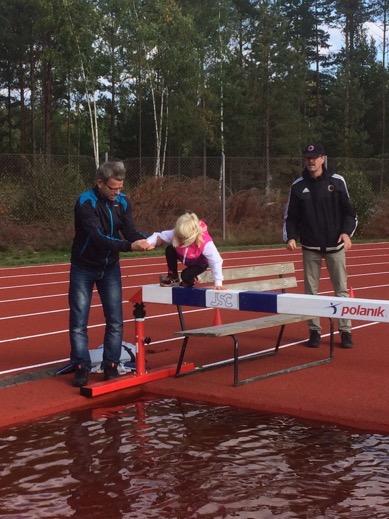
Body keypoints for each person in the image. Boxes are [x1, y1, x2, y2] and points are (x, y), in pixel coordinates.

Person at [69, 160, 152, 387]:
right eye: (113, 188)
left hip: (110, 268)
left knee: (115, 319)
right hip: (83, 266)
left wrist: (154, 238)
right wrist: (129, 246)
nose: (117, 192)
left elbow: (130, 231)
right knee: (79, 320)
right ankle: (81, 366)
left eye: (120, 188)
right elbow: (98, 237)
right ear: (100, 183)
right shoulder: (86, 202)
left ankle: (111, 365)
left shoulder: (123, 202)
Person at [283, 143, 358, 349]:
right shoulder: (297, 186)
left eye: (315, 157)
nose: (311, 161)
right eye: (308, 157)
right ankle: (314, 331)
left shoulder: (337, 181)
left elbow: (350, 213)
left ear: (323, 158)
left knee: (341, 291)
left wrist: (346, 233)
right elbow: (291, 217)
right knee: (310, 293)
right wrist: (291, 237)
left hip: (335, 246)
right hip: (310, 247)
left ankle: (345, 331)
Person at [146, 212, 224, 289]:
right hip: (184, 257)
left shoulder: (205, 242)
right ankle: (173, 277)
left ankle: (191, 280)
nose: (181, 241)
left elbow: (216, 261)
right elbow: (159, 236)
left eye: (183, 238)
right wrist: (147, 242)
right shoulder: (176, 233)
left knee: (185, 275)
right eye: (179, 237)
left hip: (199, 264)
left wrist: (218, 282)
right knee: (170, 249)